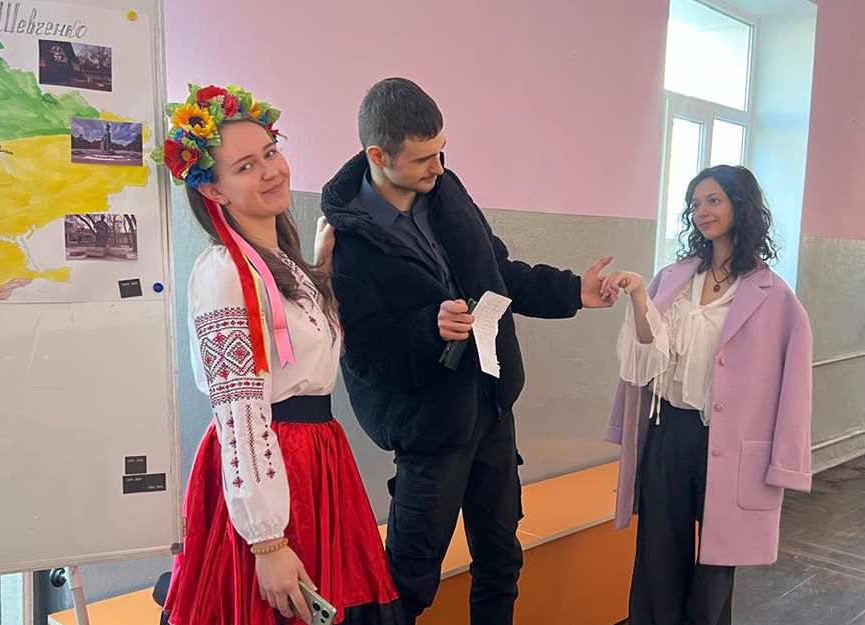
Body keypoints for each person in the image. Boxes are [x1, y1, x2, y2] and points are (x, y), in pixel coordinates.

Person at [320, 77, 619, 625]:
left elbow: (497, 274)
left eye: (441, 152)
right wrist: (429, 329)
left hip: (491, 407)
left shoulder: (447, 192)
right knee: (407, 585)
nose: (437, 168)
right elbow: (365, 357)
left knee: (502, 561)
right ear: (378, 155)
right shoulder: (349, 245)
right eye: (422, 159)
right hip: (430, 431)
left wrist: (573, 291)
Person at [157, 83, 403, 625]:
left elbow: (304, 349)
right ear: (214, 191)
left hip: (317, 459)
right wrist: (267, 542)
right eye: (245, 166)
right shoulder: (225, 273)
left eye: (270, 153)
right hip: (271, 467)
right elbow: (239, 410)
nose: (271, 171)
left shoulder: (279, 260)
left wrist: (319, 268)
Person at [602, 165, 813, 624]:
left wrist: (786, 463)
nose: (702, 211)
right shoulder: (673, 278)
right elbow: (647, 353)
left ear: (742, 206)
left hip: (731, 446)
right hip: (668, 432)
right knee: (657, 553)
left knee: (717, 563)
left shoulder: (776, 297)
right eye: (695, 203)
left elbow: (796, 388)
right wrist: (637, 294)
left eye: (713, 200)